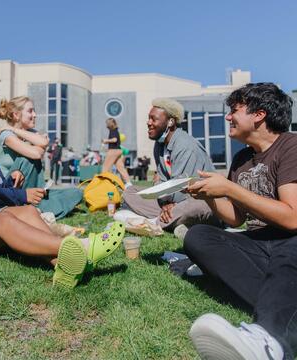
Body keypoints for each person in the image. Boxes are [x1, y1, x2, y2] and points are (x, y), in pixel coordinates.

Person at [0, 97, 125, 289]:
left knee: (29, 212)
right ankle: (84, 248)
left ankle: (64, 266)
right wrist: (21, 195)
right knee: (5, 221)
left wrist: (11, 181)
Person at [185, 83, 297, 360]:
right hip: (260, 243)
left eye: (234, 110)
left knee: (289, 248)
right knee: (198, 236)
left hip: (291, 239)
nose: (227, 117)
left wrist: (230, 189)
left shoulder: (291, 145)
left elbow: (293, 217)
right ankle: (283, 306)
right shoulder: (242, 158)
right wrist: (210, 195)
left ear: (259, 114)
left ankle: (268, 342)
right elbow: (236, 218)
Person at [122, 98, 219, 232]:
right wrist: (165, 203)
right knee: (130, 192)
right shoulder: (159, 145)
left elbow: (183, 186)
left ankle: (152, 223)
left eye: (153, 119)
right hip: (171, 200)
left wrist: (169, 202)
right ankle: (169, 220)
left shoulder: (185, 145)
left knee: (190, 208)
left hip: (200, 199)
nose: (148, 123)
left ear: (171, 122)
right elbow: (161, 181)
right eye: (148, 118)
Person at [0, 97, 82, 218]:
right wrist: (33, 146)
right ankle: (33, 209)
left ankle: (38, 208)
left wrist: (14, 128)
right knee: (27, 158)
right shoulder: (6, 135)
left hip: (31, 187)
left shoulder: (22, 132)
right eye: (30, 111)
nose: (35, 115)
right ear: (16, 115)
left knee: (76, 192)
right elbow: (36, 154)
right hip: (10, 190)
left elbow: (44, 142)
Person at [102, 118, 132, 187]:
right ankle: (128, 183)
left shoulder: (113, 131)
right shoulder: (116, 130)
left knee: (105, 167)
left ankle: (104, 183)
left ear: (110, 124)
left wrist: (106, 141)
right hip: (118, 151)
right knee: (120, 167)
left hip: (113, 151)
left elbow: (115, 140)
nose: (106, 125)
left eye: (107, 123)